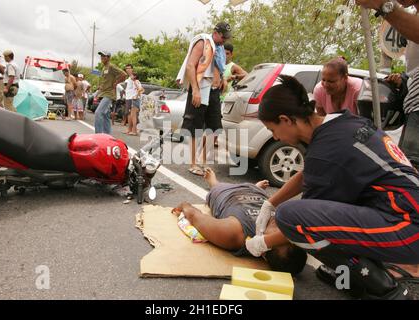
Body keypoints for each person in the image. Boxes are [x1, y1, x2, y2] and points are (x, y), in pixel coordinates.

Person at [246, 75, 419, 300]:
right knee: (318, 212)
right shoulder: (340, 123)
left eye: (272, 130)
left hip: (409, 227)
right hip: (403, 212)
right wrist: (270, 203)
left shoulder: (326, 152)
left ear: (285, 119)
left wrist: (261, 243)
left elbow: (302, 223)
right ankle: (352, 277)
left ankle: (388, 291)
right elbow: (309, 172)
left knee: (291, 216)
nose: (276, 137)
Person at [172, 168, 307, 276]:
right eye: (285, 234)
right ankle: (256, 186)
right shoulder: (288, 225)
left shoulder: (234, 233)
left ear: (263, 252)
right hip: (258, 193)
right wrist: (258, 191)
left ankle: (212, 181)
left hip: (226, 193)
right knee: (258, 190)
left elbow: (196, 217)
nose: (281, 229)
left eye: (276, 236)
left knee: (216, 187)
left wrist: (184, 205)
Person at [357, 0, 419, 168]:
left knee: (409, 172)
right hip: (413, 108)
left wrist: (383, 5)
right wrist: (404, 80)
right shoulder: (412, 19)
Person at [176, 22, 231, 176]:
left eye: (226, 38)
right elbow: (190, 66)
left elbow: (218, 68)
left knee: (214, 127)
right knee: (195, 128)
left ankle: (202, 160)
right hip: (201, 89)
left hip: (214, 91)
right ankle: (193, 164)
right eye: (223, 36)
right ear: (216, 32)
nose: (224, 40)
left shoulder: (218, 48)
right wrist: (195, 90)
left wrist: (223, 79)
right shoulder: (203, 42)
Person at [95, 51, 127, 134]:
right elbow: (105, 80)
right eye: (101, 56)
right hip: (104, 93)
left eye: (104, 56)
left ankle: (98, 135)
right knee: (106, 115)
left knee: (98, 113)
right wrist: (100, 89)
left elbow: (123, 74)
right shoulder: (104, 67)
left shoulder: (111, 66)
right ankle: (107, 135)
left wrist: (116, 83)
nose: (102, 58)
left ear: (108, 57)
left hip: (109, 94)